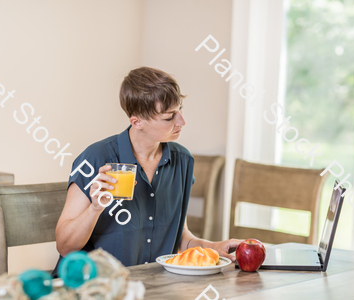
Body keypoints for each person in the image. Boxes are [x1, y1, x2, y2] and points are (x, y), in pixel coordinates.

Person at [52, 66, 241, 277]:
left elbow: (180, 237)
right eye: (169, 117)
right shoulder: (97, 159)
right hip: (92, 287)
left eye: (180, 110)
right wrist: (95, 208)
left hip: (149, 288)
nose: (181, 121)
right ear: (136, 122)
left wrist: (214, 247)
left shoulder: (182, 161)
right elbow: (65, 247)